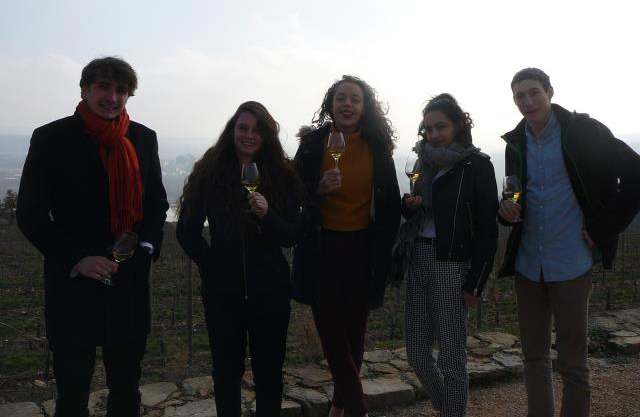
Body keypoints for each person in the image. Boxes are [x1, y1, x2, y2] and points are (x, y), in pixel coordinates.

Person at [16, 56, 169, 417]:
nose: (113, 97)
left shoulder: (143, 139)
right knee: (71, 396)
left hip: (129, 285)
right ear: (85, 89)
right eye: (104, 87)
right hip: (73, 289)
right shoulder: (51, 138)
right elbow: (31, 215)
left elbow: (157, 204)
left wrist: (145, 248)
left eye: (122, 90)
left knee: (126, 394)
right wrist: (77, 259)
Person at [497, 68, 640, 417]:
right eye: (520, 96)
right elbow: (512, 198)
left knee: (573, 363)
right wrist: (505, 210)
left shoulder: (584, 132)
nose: (528, 102)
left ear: (550, 91)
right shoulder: (516, 143)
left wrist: (605, 227)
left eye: (534, 93)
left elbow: (636, 173)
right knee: (533, 357)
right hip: (529, 264)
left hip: (572, 261)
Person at [176, 101, 304, 417]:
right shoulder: (211, 171)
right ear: (232, 132)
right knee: (226, 374)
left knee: (269, 375)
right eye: (242, 128)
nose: (248, 135)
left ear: (266, 136)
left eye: (256, 130)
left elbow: (292, 235)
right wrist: (211, 266)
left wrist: (267, 215)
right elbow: (187, 231)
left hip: (271, 293)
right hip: (223, 295)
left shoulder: (282, 175)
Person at [291, 75, 401, 417]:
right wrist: (318, 189)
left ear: (364, 107)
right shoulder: (313, 145)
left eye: (355, 98)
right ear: (331, 105)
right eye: (341, 98)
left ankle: (338, 409)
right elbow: (291, 193)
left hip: (363, 249)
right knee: (332, 335)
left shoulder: (377, 146)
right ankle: (358, 408)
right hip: (322, 248)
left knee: (355, 334)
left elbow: (390, 202)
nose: (347, 104)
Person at [397, 94, 498, 416]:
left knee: (452, 359)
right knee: (416, 353)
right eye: (428, 129)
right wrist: (409, 206)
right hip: (418, 259)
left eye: (441, 126)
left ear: (457, 125)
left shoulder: (477, 165)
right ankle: (449, 410)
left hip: (452, 265)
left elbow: (487, 228)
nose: (435, 134)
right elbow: (421, 214)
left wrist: (476, 282)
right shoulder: (423, 162)